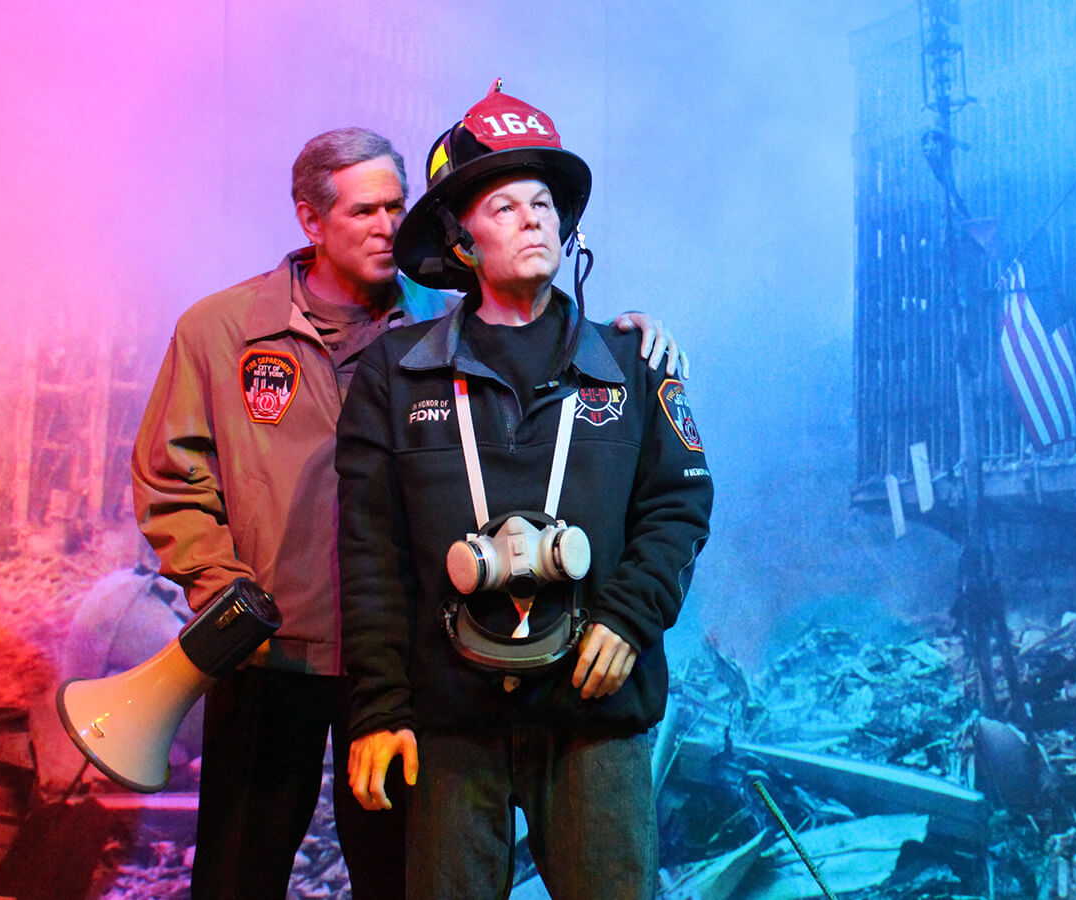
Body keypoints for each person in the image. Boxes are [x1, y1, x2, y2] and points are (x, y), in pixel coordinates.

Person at [130, 126, 683, 900]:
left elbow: (545, 338)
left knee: (395, 876)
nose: (387, 226)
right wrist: (223, 591)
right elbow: (171, 478)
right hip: (272, 654)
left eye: (397, 206)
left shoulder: (443, 327)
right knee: (237, 873)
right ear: (309, 220)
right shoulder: (220, 332)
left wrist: (627, 337)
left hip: (398, 662)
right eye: (363, 211)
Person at [338, 82, 713, 899]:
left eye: (542, 202)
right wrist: (377, 709)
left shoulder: (632, 362)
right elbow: (371, 555)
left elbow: (680, 505)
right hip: (449, 723)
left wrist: (629, 614)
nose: (533, 218)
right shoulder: (393, 375)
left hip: (593, 711)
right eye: (504, 207)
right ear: (461, 241)